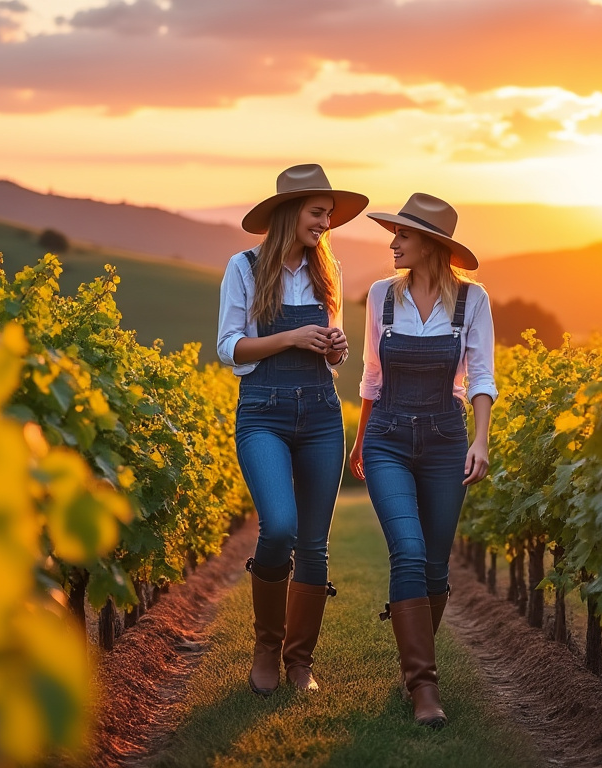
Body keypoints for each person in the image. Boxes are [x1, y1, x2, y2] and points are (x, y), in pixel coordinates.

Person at [217, 164, 368, 695]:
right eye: (317, 213)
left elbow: (329, 349)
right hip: (263, 410)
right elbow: (229, 347)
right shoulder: (245, 266)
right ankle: (266, 645)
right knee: (278, 525)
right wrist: (290, 338)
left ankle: (299, 661)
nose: (326, 223)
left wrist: (335, 347)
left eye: (329, 215)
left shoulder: (328, 270)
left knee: (314, 543)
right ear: (289, 213)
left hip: (321, 412)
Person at [347, 193, 495, 728]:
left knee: (434, 564)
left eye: (403, 235)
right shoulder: (381, 296)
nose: (393, 242)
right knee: (407, 551)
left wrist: (480, 439)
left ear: (430, 244)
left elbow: (480, 376)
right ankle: (424, 687)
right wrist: (362, 440)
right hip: (387, 435)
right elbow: (370, 375)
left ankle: (414, 666)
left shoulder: (472, 301)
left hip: (445, 441)